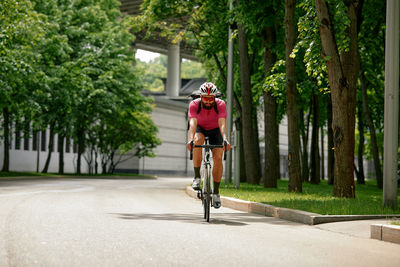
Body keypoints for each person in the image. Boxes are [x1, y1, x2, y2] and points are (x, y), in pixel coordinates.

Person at [186, 82, 231, 208]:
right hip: (200, 127)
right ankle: (197, 177)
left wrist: (225, 139)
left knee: (218, 156)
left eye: (211, 98)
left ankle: (216, 193)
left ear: (215, 97)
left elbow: (222, 123)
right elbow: (193, 123)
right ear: (200, 97)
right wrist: (190, 139)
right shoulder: (194, 104)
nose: (208, 101)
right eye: (205, 98)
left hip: (215, 129)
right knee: (197, 140)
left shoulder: (220, 104)